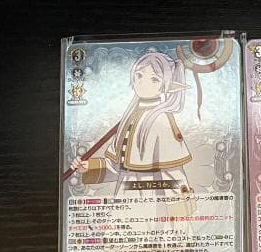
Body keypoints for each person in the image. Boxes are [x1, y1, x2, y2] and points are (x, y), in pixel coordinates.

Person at [70, 51, 195, 198]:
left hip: (153, 196)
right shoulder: (129, 117)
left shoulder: (161, 119)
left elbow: (173, 172)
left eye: (154, 79)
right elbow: (117, 167)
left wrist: (179, 206)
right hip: (124, 192)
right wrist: (88, 167)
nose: (142, 83)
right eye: (139, 75)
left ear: (165, 86)